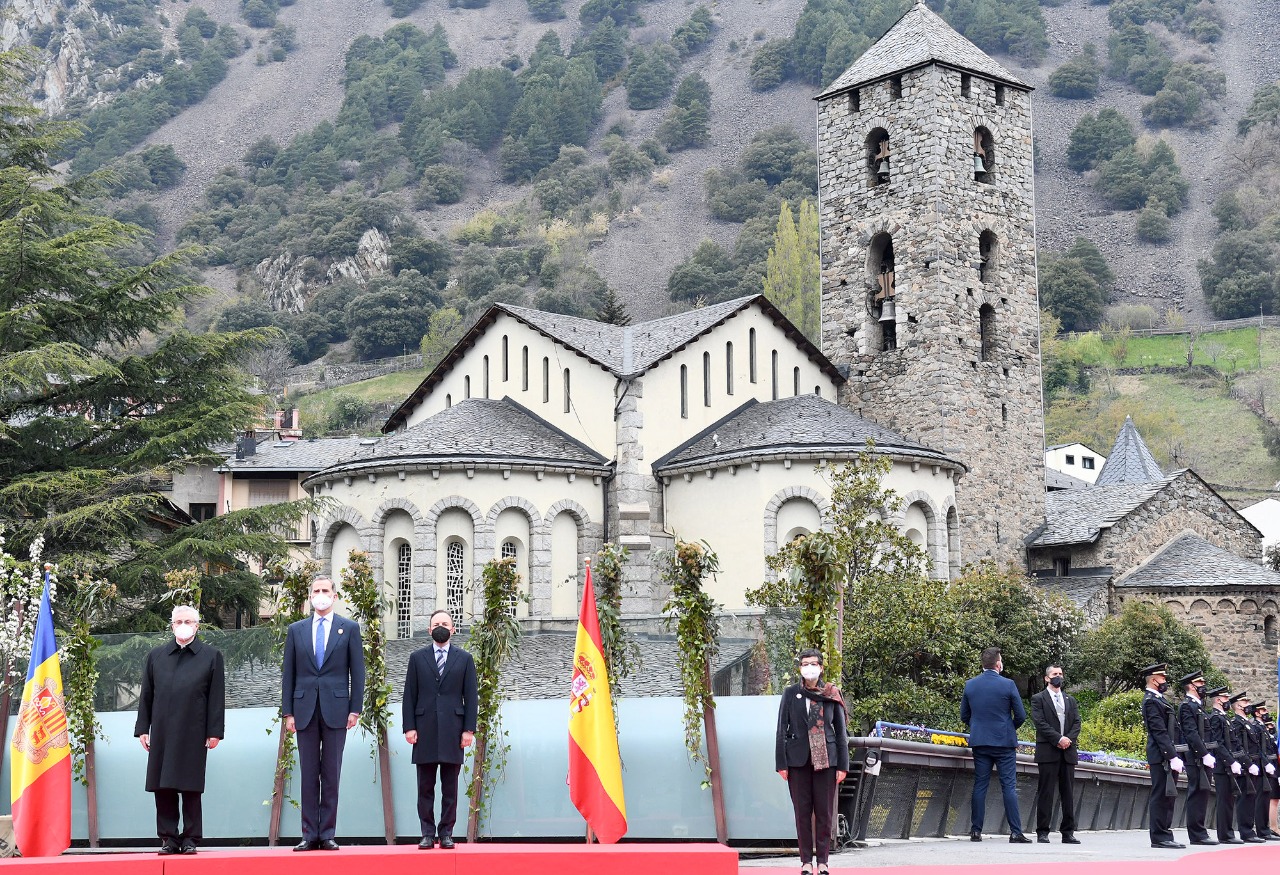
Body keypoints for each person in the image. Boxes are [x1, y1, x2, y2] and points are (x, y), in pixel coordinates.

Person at [282, 576, 365, 852]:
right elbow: (289, 674)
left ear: (335, 595)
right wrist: (288, 712)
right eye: (316, 591)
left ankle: (327, 832)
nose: (320, 595)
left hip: (337, 709)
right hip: (304, 709)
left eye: (325, 590)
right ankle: (309, 833)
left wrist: (355, 708)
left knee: (331, 772)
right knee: (308, 772)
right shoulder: (296, 630)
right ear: (310, 596)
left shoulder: (349, 628)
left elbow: (358, 672)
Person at [134, 605, 225, 855]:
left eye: (188, 621)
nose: (183, 625)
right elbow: (147, 695)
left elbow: (216, 697)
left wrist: (214, 731)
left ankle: (191, 838)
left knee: (191, 784)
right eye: (178, 621)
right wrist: (143, 728)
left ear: (197, 625)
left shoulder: (211, 656)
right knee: (163, 785)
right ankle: (169, 838)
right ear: (172, 625)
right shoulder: (156, 656)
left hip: (193, 729)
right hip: (162, 729)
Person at [403, 610, 478, 850]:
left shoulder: (465, 659)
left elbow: (471, 697)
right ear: (429, 630)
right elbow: (409, 695)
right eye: (436, 624)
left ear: (453, 629)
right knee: (425, 787)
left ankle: (446, 833)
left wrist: (469, 730)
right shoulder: (417, 658)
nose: (441, 627)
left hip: (453, 732)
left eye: (445, 624)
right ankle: (426, 833)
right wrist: (409, 727)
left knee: (450, 788)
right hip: (423, 730)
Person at [775, 649, 849, 875]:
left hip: (827, 761)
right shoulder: (790, 693)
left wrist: (843, 765)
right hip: (797, 762)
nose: (808, 667)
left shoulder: (831, 694)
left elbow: (839, 732)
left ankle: (823, 861)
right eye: (804, 664)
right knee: (802, 812)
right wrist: (781, 763)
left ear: (821, 667)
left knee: (825, 813)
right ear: (799, 668)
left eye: (813, 663)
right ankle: (806, 861)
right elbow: (782, 729)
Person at [960, 647, 1029, 843]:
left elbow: (964, 715)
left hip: (980, 742)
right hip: (1004, 744)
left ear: (983, 664)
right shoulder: (1008, 684)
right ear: (998, 664)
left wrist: (978, 727)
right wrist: (1008, 728)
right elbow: (1021, 716)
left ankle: (975, 831)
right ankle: (1015, 832)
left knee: (980, 785)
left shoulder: (970, 685)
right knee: (1008, 786)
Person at [1030, 664, 1080, 844]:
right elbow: (1040, 723)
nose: (1058, 676)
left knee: (1068, 793)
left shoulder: (1070, 700)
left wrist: (1068, 740)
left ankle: (1068, 832)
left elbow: (1077, 723)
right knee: (1046, 792)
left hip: (1068, 752)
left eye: (1060, 673)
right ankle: (1043, 831)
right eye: (1054, 674)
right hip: (1048, 751)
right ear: (1046, 678)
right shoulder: (1038, 699)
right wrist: (1058, 739)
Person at [1140, 663, 1184, 849]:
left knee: (1169, 795)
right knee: (1160, 795)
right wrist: (1171, 755)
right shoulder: (1151, 701)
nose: (1165, 681)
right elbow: (1159, 731)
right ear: (1153, 679)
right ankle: (1159, 837)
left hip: (1167, 754)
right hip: (1160, 755)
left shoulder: (1160, 699)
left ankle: (1166, 833)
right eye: (1162, 678)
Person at [1175, 669, 1216, 845]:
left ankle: (1201, 831)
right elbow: (1191, 733)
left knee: (1203, 793)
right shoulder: (1187, 706)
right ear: (1192, 686)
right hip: (1195, 757)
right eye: (1200, 684)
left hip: (1203, 756)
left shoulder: (1198, 706)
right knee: (1197, 793)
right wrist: (1204, 754)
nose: (1203, 687)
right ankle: (1197, 834)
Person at [1205, 686, 1244, 844]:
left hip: (1228, 765)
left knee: (1229, 800)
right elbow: (1218, 744)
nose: (1228, 701)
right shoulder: (1215, 717)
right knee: (1224, 800)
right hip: (1222, 766)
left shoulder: (1224, 718)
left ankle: (1228, 832)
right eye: (1226, 698)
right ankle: (1225, 834)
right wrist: (1231, 761)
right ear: (1218, 699)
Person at [1229, 693, 1265, 843]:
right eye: (1244, 701)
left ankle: (1250, 830)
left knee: (1251, 798)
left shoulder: (1247, 723)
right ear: (1237, 705)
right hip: (1245, 765)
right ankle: (1245, 831)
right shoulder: (1237, 723)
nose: (1247, 703)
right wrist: (1247, 764)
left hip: (1252, 764)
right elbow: (1238, 746)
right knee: (1245, 798)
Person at [1247, 702, 1280, 840]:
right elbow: (1258, 749)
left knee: (1265, 798)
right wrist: (1266, 764)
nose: (1266, 712)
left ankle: (1264, 829)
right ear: (1256, 713)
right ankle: (1262, 829)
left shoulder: (1262, 728)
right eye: (1263, 710)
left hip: (1268, 767)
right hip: (1261, 767)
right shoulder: (1256, 727)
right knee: (1262, 799)